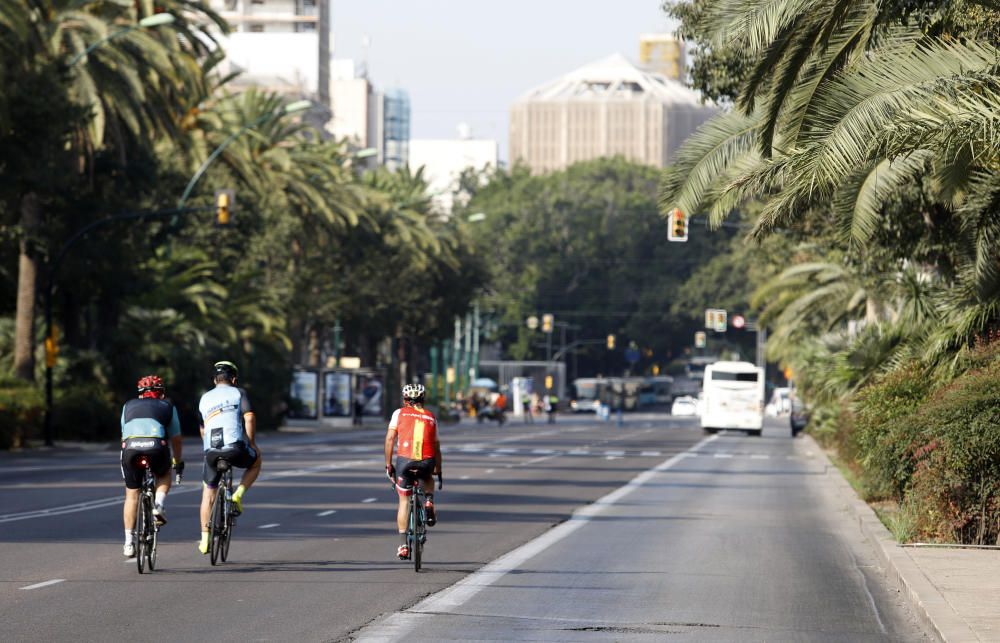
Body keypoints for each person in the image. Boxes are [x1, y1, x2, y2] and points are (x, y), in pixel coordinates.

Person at [196, 360, 262, 554]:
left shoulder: (204, 398)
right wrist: (251, 443)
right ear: (234, 379)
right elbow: (249, 416)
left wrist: (209, 448)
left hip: (211, 451)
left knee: (208, 493)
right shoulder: (238, 392)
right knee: (256, 461)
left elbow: (202, 429)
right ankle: (237, 496)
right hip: (235, 448)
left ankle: (204, 539)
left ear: (214, 380)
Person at [119, 375, 184, 558]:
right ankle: (159, 504)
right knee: (163, 475)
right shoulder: (168, 406)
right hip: (156, 447)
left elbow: (123, 436)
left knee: (132, 494)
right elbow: (176, 439)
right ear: (162, 393)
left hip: (130, 448)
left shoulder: (127, 406)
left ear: (140, 395)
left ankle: (128, 543)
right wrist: (177, 462)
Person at [384, 383, 442, 560]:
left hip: (404, 462)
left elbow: (390, 439)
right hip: (426, 461)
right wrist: (438, 470)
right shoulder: (431, 417)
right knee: (429, 478)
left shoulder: (398, 413)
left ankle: (403, 544)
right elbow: (437, 447)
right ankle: (429, 500)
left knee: (404, 500)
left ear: (405, 399)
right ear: (424, 399)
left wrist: (388, 465)